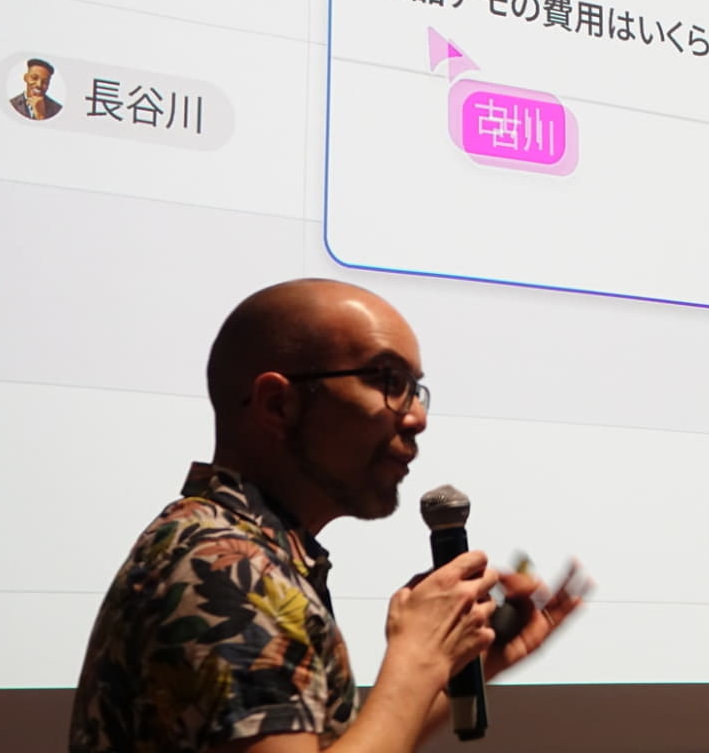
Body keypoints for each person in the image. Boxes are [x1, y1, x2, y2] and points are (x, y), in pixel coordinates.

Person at [68, 279, 589, 753]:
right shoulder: (225, 570)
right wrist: (415, 658)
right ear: (278, 405)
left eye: (415, 388)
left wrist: (459, 667)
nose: (417, 417)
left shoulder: (238, 549)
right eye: (387, 379)